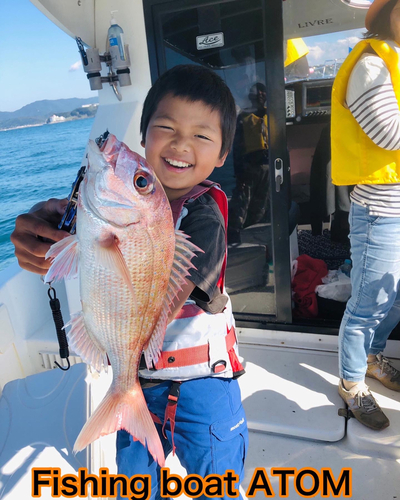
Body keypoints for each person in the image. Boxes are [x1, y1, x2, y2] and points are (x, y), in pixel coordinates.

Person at [11, 65, 248, 499]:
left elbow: (160, 283)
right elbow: (98, 223)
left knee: (218, 479)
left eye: (201, 135)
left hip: (206, 387)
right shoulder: (114, 199)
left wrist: (98, 237)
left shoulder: (206, 216)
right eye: (166, 128)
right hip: (139, 380)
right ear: (145, 137)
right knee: (137, 483)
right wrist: (50, 228)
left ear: (221, 155)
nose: (180, 144)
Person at [331, 0, 400, 430]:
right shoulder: (372, 65)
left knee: (393, 300)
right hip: (380, 212)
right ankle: (351, 383)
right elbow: (388, 132)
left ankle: (373, 358)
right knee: (369, 302)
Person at [228, 82, 269, 244]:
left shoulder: (272, 116)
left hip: (268, 168)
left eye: (263, 91)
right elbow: (237, 149)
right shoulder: (243, 117)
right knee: (241, 206)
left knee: (261, 204)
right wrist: (239, 174)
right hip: (249, 169)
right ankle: (234, 238)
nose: (260, 94)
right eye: (256, 92)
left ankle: (254, 238)